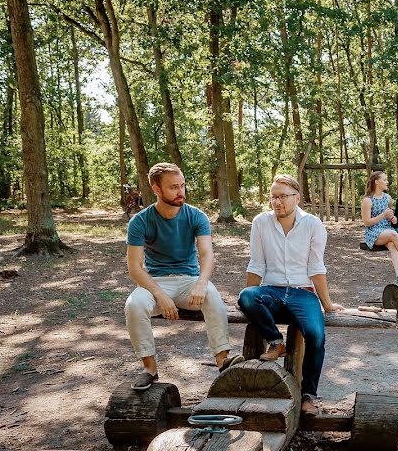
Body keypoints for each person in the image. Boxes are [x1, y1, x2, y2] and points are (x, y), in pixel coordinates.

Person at [124, 162, 239, 390]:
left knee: (212, 296)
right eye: (174, 187)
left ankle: (222, 360)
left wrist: (201, 283)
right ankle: (149, 368)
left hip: (190, 281)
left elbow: (206, 255)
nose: (181, 192)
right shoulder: (140, 221)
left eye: (183, 185)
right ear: (157, 189)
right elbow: (135, 268)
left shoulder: (196, 216)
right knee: (133, 304)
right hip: (156, 282)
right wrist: (159, 294)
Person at [237, 174, 345, 416]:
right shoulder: (260, 222)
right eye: (273, 197)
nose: (277, 202)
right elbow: (256, 264)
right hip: (271, 291)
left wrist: (326, 304)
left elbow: (316, 268)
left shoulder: (312, 224)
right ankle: (277, 343)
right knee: (246, 296)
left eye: (283, 197)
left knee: (316, 336)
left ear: (297, 198)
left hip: (302, 293)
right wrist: (245, 298)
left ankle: (309, 395)